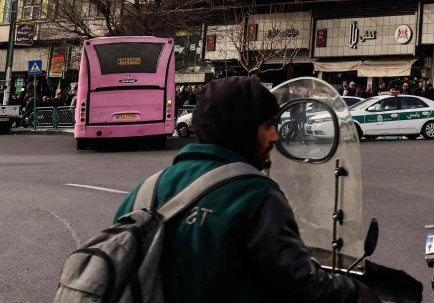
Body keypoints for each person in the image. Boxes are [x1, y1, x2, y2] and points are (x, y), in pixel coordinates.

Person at [113, 77, 375, 303]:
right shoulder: (255, 196)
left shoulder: (142, 194)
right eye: (268, 125)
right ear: (241, 128)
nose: (275, 136)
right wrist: (358, 293)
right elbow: (303, 284)